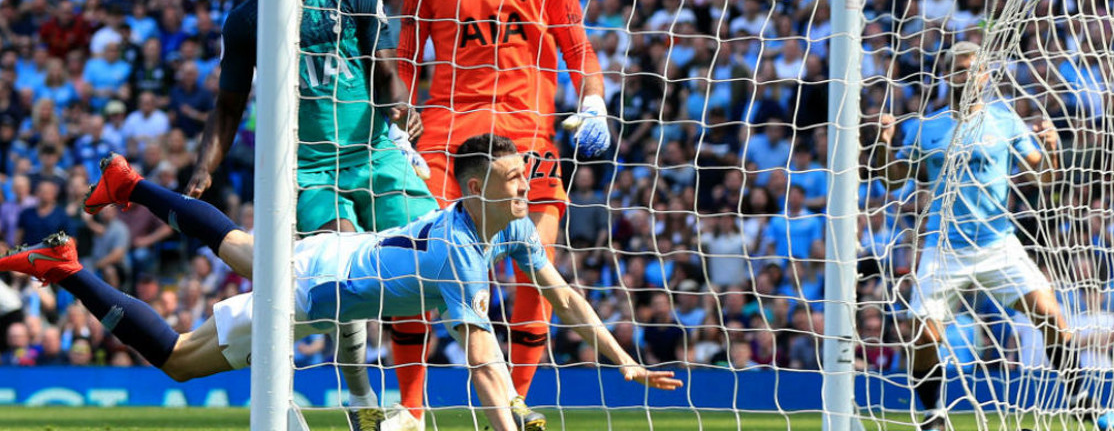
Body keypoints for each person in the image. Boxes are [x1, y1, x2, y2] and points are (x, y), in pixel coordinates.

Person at [0, 135, 680, 431]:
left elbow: (563, 295)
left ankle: (78, 255)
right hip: (310, 287)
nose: (526, 183)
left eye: (523, 175)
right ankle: (113, 207)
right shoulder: (458, 253)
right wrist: (507, 424)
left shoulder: (511, 229)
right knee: (231, 262)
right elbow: (483, 362)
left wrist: (625, 364)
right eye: (512, 177)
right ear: (476, 189)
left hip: (330, 270)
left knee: (182, 352)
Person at [186, 0, 438, 430]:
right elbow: (228, 106)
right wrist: (203, 170)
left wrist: (400, 110)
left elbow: (386, 73)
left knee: (431, 255)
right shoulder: (249, 20)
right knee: (342, 270)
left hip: (374, 153)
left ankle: (489, 392)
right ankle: (362, 397)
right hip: (308, 168)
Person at [397, 0, 612, 426]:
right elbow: (403, 62)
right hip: (444, 138)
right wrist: (395, 123)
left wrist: (593, 100)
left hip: (526, 138)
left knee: (533, 271)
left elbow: (578, 50)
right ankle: (410, 410)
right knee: (419, 269)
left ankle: (514, 403)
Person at [872, 41, 1114, 430]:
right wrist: (884, 146)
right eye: (959, 69)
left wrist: (1052, 149)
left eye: (973, 69)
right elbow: (892, 178)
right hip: (944, 247)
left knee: (1051, 315)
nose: (966, 75)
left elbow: (1046, 177)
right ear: (948, 75)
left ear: (985, 76)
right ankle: (933, 414)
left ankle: (1079, 396)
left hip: (997, 243)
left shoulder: (1005, 121)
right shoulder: (926, 127)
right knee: (921, 338)